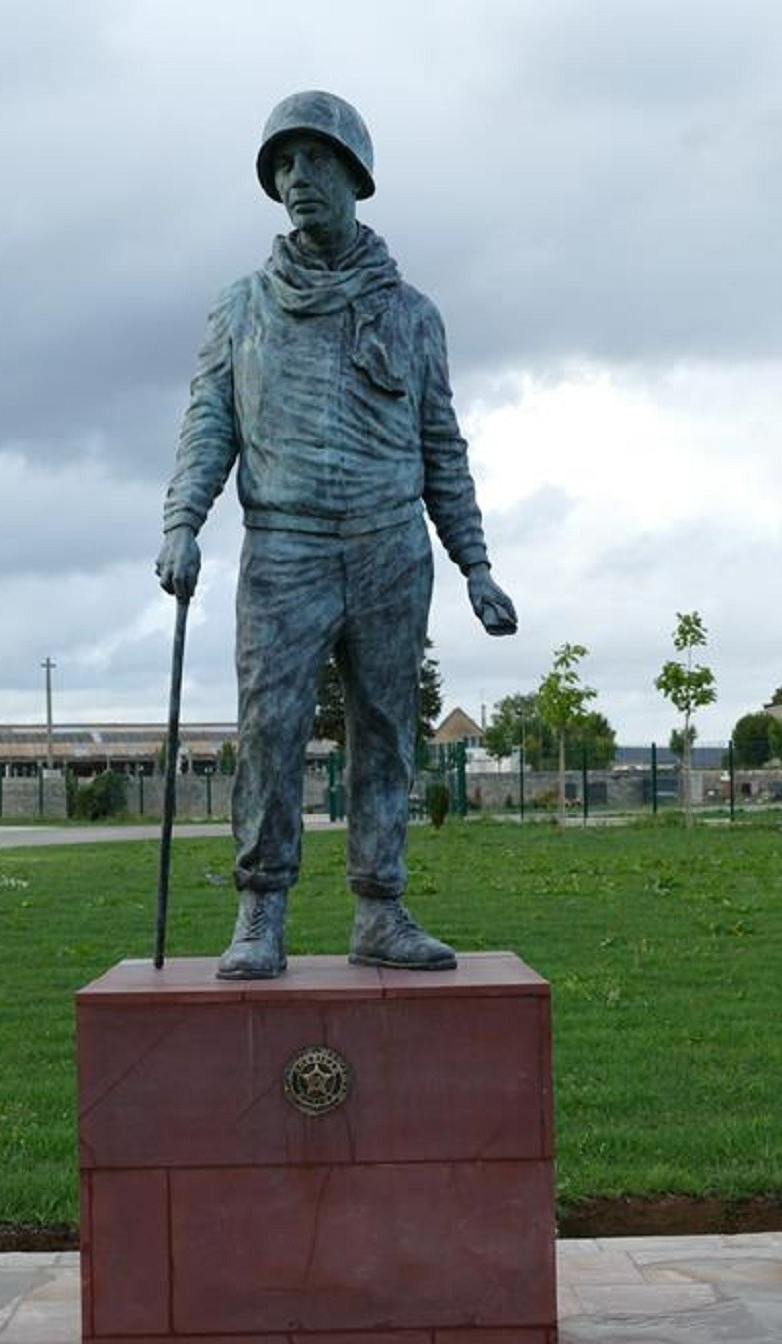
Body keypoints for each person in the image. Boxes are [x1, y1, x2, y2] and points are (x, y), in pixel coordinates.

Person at [156, 90, 517, 979]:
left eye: (315, 162)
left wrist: (475, 563)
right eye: (283, 165)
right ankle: (260, 912)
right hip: (283, 546)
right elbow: (210, 425)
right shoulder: (242, 306)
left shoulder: (413, 314)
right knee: (271, 727)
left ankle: (380, 909)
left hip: (391, 545)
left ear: (355, 175)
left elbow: (442, 446)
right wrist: (182, 523)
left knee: (388, 730)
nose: (296, 180)